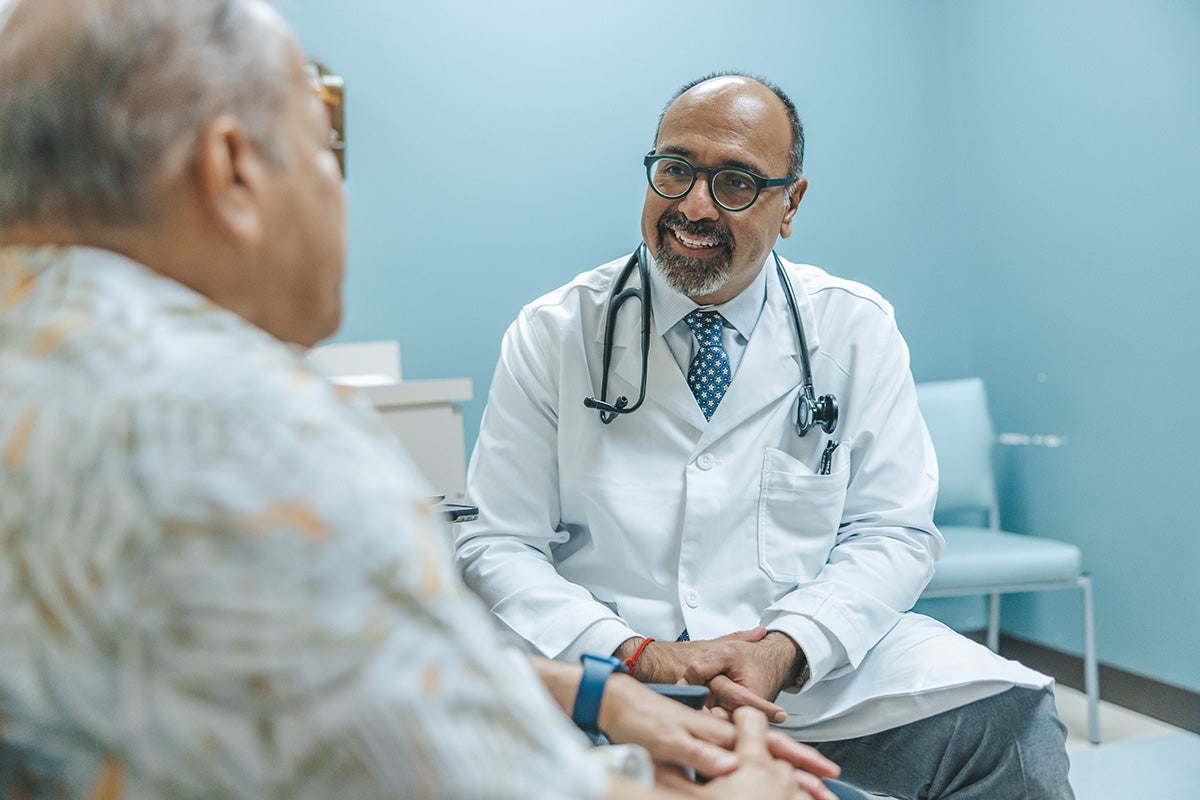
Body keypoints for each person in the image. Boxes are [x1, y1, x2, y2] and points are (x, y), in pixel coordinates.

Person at [0, 2, 844, 798]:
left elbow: (295, 669)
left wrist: (589, 694)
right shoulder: (237, 431)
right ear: (231, 172)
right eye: (322, 147)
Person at [456, 72, 1076, 799]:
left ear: (791, 204)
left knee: (1010, 727)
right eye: (676, 169)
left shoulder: (854, 327)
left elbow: (892, 532)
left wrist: (789, 645)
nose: (693, 204)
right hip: (612, 670)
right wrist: (640, 655)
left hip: (809, 676)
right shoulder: (556, 332)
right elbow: (499, 542)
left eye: (737, 182)